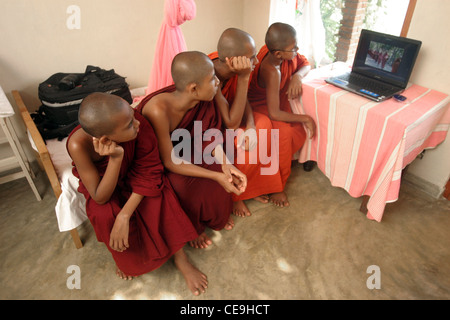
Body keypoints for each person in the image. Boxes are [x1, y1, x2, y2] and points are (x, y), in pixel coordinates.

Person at [67, 92, 208, 296]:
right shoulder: (77, 145)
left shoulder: (134, 120)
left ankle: (180, 257)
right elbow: (99, 196)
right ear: (106, 139)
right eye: (129, 126)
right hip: (106, 186)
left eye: (132, 116)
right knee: (104, 214)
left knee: (159, 195)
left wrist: (125, 215)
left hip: (138, 177)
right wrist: (115, 159)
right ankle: (127, 261)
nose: (138, 124)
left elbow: (149, 169)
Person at [137, 51, 247, 249]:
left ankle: (214, 216)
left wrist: (225, 164)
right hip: (166, 157)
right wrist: (215, 176)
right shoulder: (158, 110)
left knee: (222, 163)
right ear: (194, 88)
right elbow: (169, 161)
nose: (218, 83)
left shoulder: (204, 99)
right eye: (212, 79)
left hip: (192, 146)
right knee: (180, 184)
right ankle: (193, 228)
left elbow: (209, 136)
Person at [208, 28, 280, 217]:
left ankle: (251, 189)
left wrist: (251, 126)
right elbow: (230, 124)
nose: (256, 62)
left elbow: (243, 98)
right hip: (211, 126)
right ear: (232, 62)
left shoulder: (236, 68)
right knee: (237, 139)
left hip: (233, 112)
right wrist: (244, 76)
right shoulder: (209, 76)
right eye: (252, 57)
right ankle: (236, 196)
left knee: (263, 124)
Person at [248, 22, 316, 208]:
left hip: (276, 100)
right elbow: (274, 113)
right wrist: (306, 118)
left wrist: (297, 76)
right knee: (284, 134)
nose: (297, 50)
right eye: (293, 48)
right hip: (259, 106)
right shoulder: (271, 70)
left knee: (295, 131)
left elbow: (306, 63)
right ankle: (277, 185)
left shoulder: (279, 51)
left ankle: (277, 176)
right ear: (278, 54)